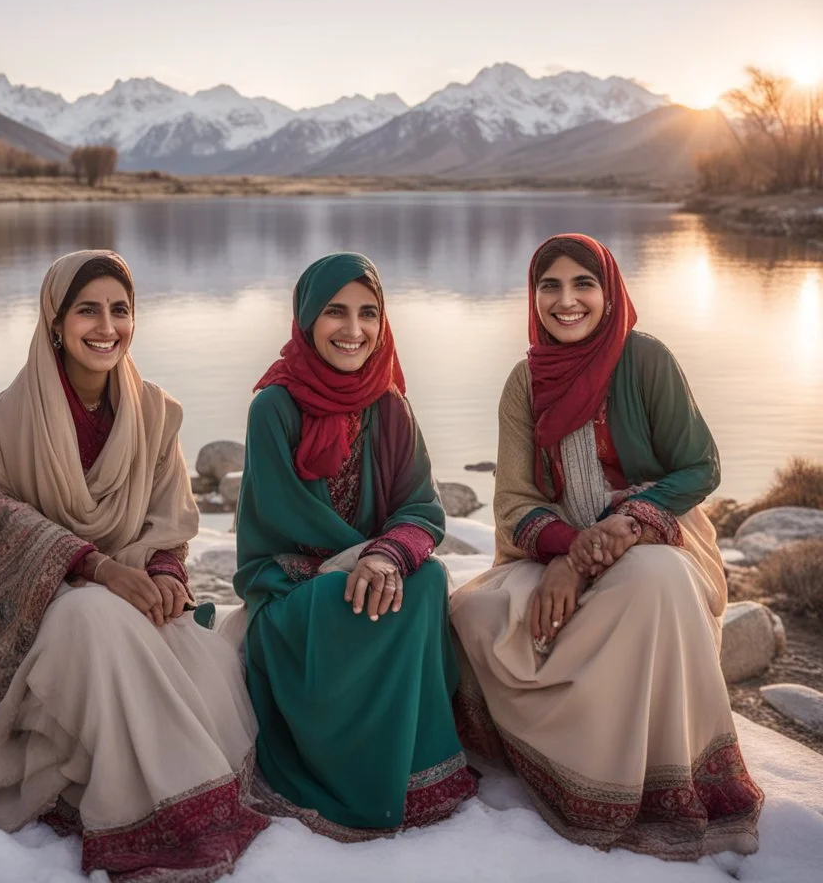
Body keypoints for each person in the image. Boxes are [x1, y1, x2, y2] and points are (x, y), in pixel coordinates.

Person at [0, 250, 268, 882]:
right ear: (55, 322)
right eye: (87, 310)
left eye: (121, 310)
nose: (106, 326)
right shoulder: (2, 423)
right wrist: (93, 567)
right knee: (93, 616)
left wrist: (168, 576)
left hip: (129, 596)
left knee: (206, 660)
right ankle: (146, 819)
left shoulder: (153, 411)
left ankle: (192, 799)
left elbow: (168, 518)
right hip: (44, 607)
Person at [450, 233, 763, 861]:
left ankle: (644, 775)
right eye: (550, 286)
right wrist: (567, 551)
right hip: (556, 539)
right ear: (533, 297)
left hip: (655, 534)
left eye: (583, 284)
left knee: (654, 584)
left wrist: (621, 527)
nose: (567, 302)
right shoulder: (525, 381)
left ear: (609, 290)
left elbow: (698, 467)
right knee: (474, 614)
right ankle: (555, 760)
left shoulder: (644, 359)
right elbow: (513, 500)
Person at [233, 252, 476, 841]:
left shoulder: (390, 404)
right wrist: (367, 555)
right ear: (308, 318)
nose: (354, 329)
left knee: (428, 578)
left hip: (371, 570)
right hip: (292, 588)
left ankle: (416, 771)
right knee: (385, 587)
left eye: (369, 313)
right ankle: (345, 771)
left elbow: (423, 507)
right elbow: (288, 517)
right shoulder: (274, 406)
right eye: (336, 312)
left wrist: (387, 554)